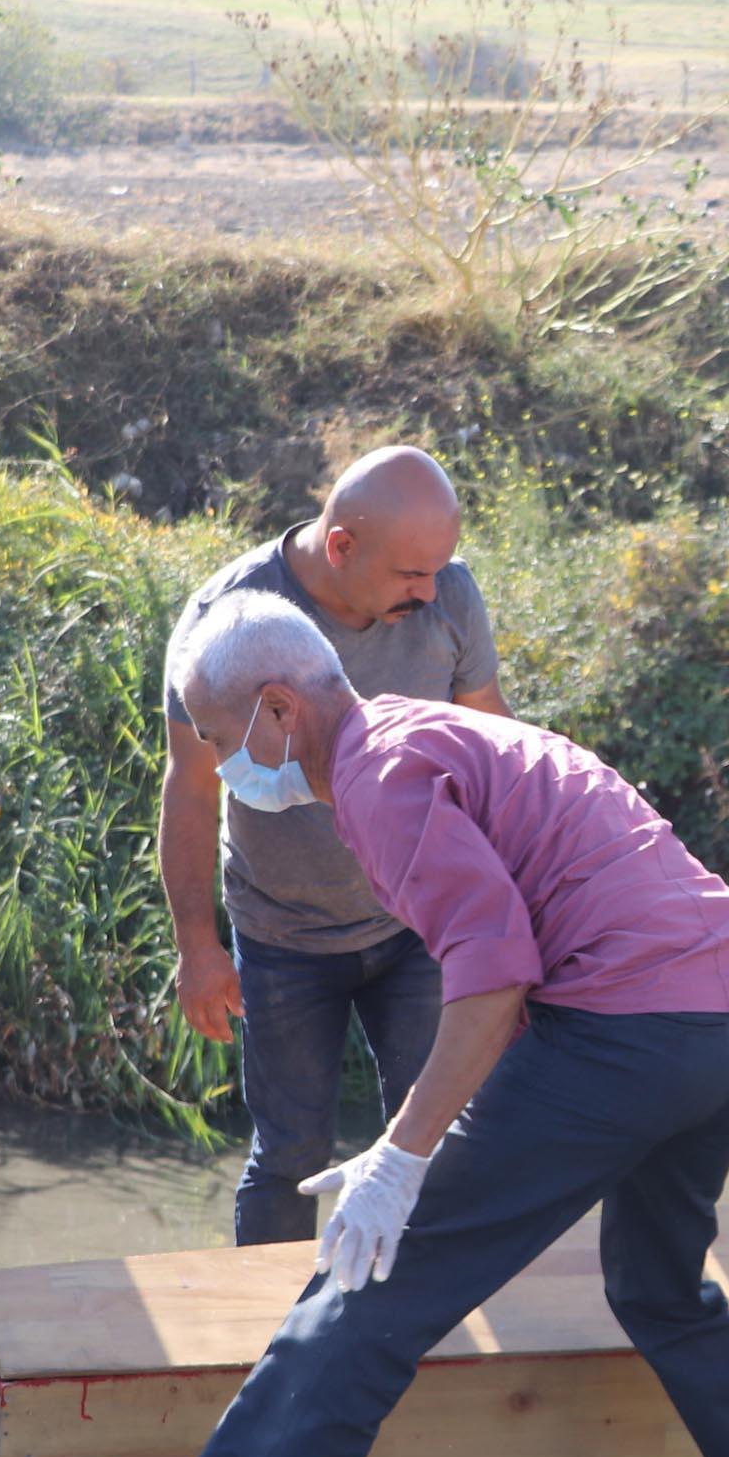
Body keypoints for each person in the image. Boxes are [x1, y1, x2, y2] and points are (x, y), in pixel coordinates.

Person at [81, 593, 729, 1457]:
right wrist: (411, 1139)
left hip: (630, 1035)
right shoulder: (442, 734)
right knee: (660, 1288)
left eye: (222, 740)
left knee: (371, 1283)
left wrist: (403, 1159)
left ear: (279, 708)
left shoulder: (373, 778)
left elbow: (495, 973)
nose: (225, 767)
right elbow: (537, 943)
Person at [159, 446, 508, 1248]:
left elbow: (491, 738)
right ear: (342, 545)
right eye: (410, 575)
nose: (429, 592)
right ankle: (271, 1347)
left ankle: (433, 1334)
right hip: (282, 935)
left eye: (438, 571)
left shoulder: (448, 595)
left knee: (439, 1143)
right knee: (289, 1156)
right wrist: (197, 945)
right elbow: (191, 784)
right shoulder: (229, 617)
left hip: (419, 924)